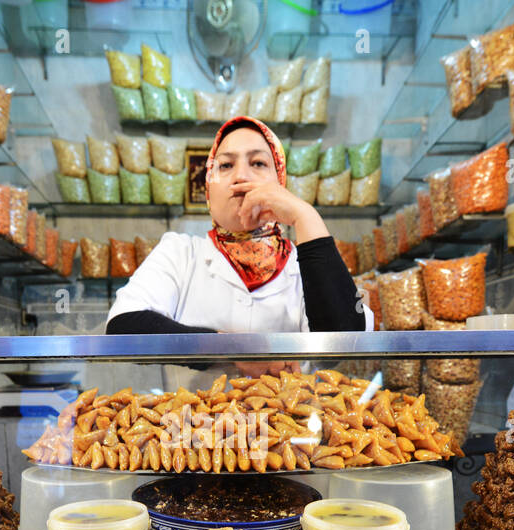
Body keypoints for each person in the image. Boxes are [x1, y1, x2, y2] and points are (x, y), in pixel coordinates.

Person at [106, 116, 372, 384]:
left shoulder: (308, 262)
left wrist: (305, 216)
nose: (241, 176)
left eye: (258, 163)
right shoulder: (180, 252)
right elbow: (123, 326)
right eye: (225, 165)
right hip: (189, 422)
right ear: (209, 185)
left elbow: (346, 337)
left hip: (292, 423)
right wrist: (230, 348)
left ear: (280, 180)